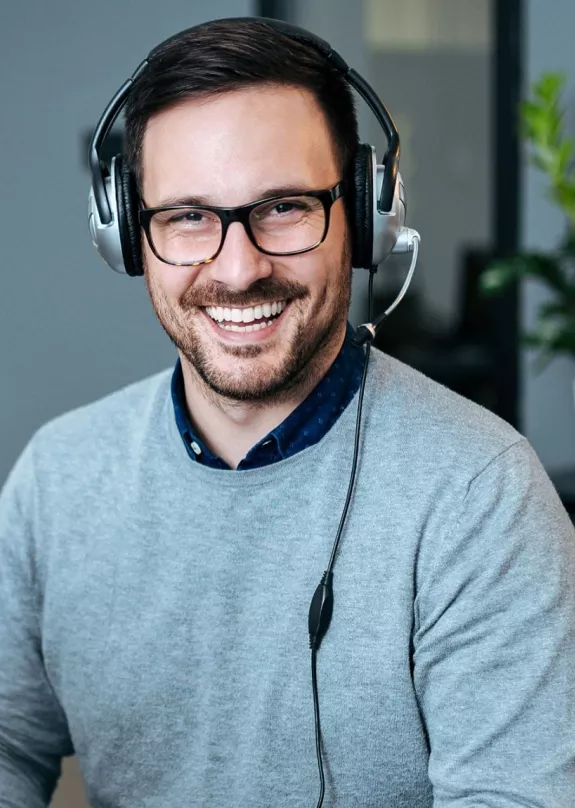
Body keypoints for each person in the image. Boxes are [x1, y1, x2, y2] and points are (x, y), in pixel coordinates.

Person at [1, 16, 574, 808]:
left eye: (284, 207)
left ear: (366, 220)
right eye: (188, 216)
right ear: (128, 236)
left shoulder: (480, 495)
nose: (237, 270)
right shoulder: (55, 480)